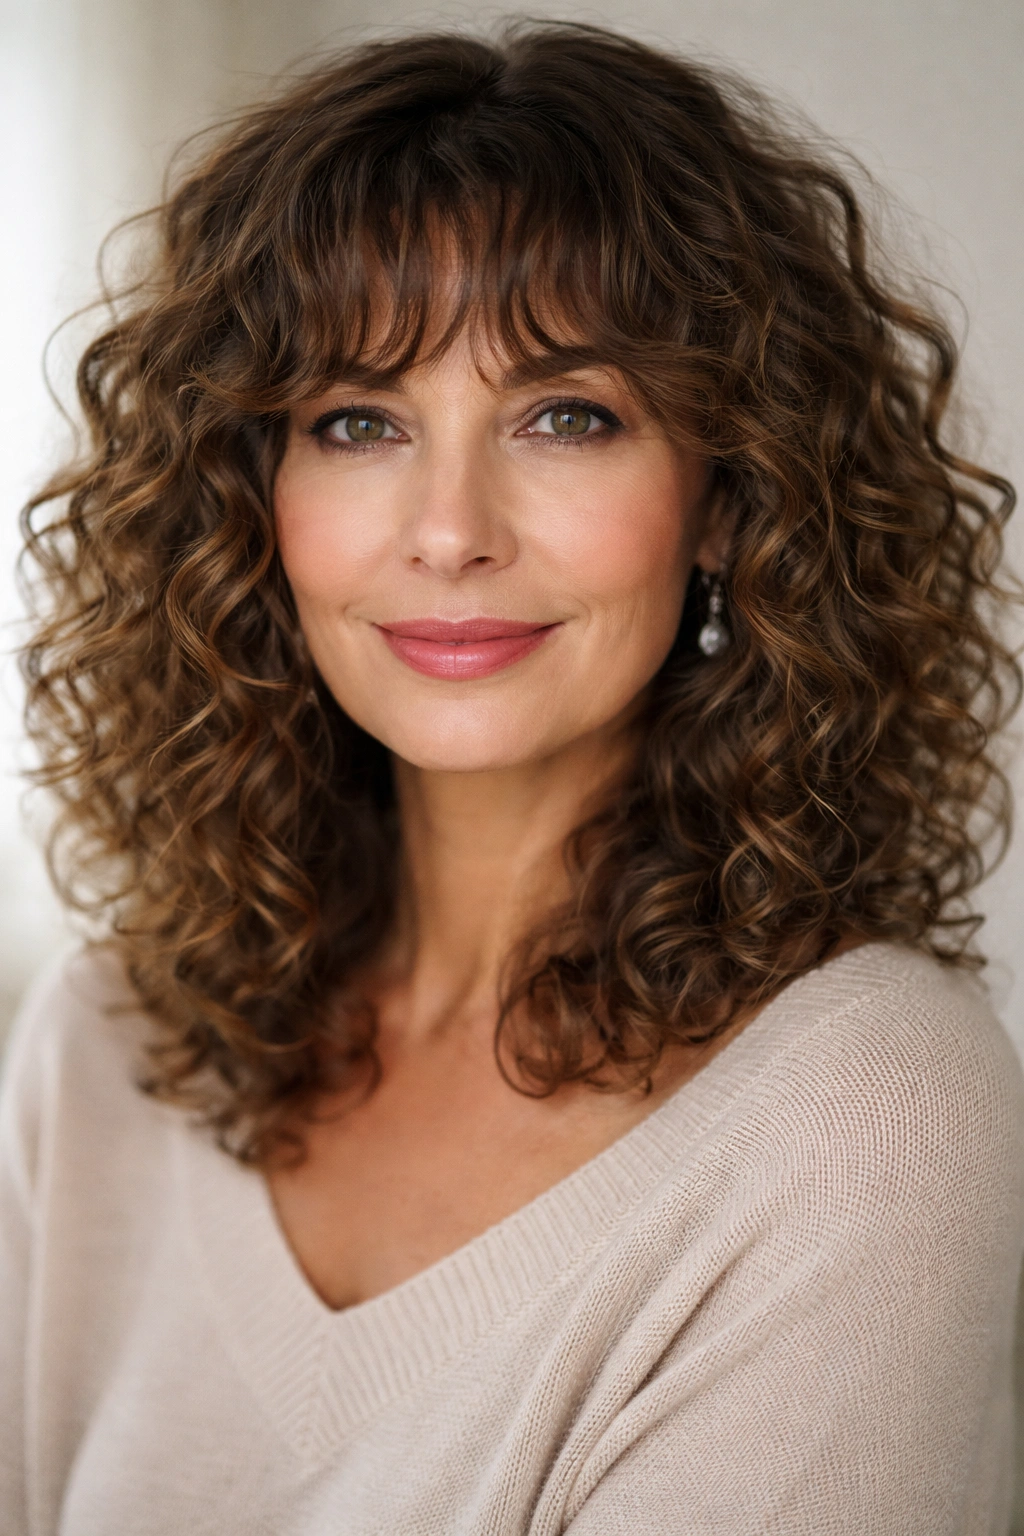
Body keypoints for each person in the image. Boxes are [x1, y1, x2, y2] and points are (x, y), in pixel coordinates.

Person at [1, 22, 1021, 1535]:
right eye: (358, 422)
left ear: (730, 495)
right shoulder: (108, 1046)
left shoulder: (864, 1115)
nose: (450, 529)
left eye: (566, 415)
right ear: (250, 502)